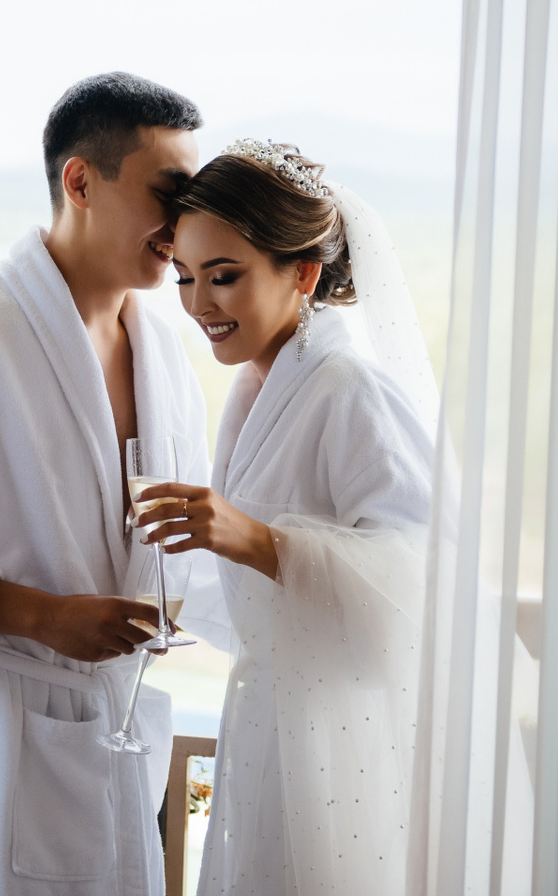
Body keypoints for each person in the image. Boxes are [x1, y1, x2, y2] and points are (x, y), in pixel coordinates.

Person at [143, 140, 506, 895]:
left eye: (224, 276)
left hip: (336, 751)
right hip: (267, 730)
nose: (199, 303)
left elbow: (426, 580)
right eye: (184, 277)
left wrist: (256, 539)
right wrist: (156, 604)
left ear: (303, 274)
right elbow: (257, 605)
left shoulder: (349, 389)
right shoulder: (258, 390)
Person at [0, 74, 211, 896]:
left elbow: (186, 546)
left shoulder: (165, 354)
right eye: (167, 193)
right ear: (80, 181)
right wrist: (44, 616)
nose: (182, 222)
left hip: (113, 724)